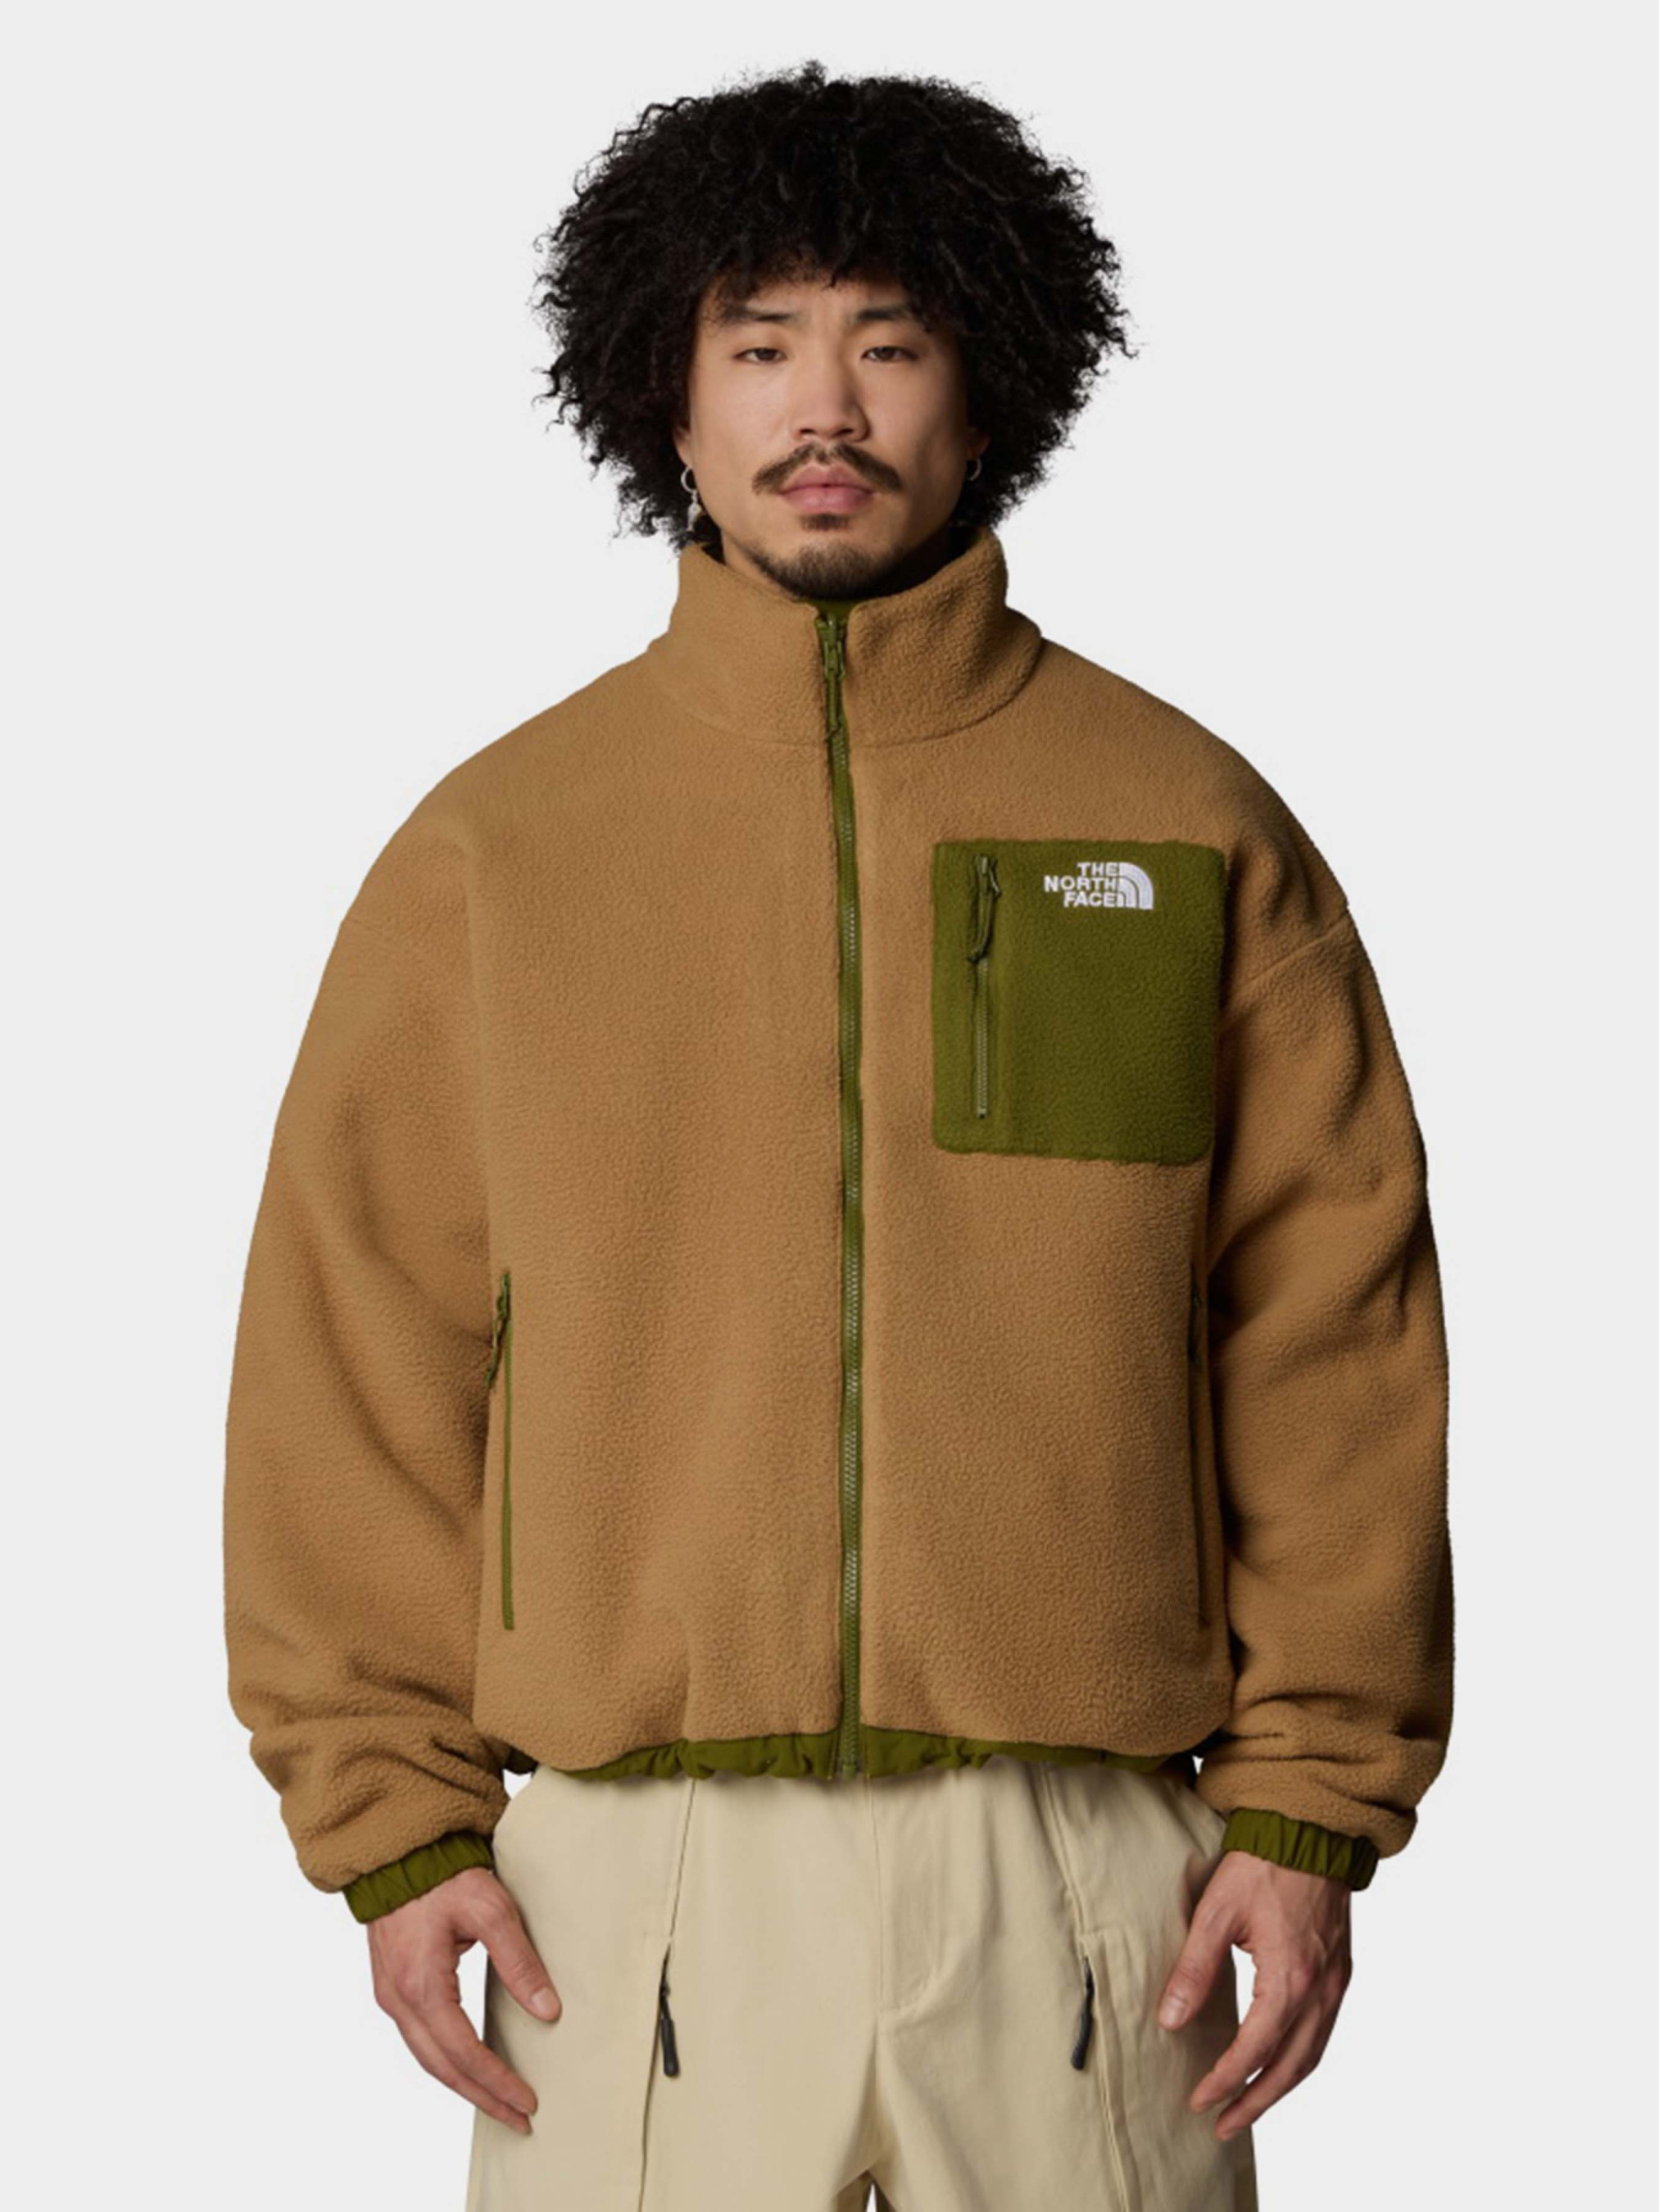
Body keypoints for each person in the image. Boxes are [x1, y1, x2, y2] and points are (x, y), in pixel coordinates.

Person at [223, 57, 1453, 2212]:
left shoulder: (1181, 821)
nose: (826, 406)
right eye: (760, 344)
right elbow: (360, 1348)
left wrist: (1308, 1801)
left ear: (988, 397)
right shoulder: (501, 853)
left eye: (890, 345)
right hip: (634, 1878)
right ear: (667, 400)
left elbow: (1325, 1334)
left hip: (1093, 1871)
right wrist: (391, 1819)